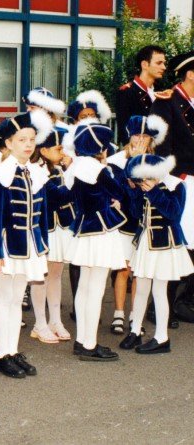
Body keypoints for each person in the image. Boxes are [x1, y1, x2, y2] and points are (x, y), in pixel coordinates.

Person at [0, 110, 53, 378]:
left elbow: (42, 214)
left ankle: (12, 350)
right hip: (6, 246)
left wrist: (42, 246)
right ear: (8, 143)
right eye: (22, 140)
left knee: (16, 300)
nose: (28, 144)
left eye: (31, 139)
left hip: (28, 245)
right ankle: (1, 355)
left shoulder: (35, 172)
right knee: (4, 299)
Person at [63, 122, 126, 361]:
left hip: (84, 229)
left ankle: (82, 340)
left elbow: (67, 193)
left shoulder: (75, 167)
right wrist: (108, 167)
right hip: (101, 230)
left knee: (84, 287)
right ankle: (90, 344)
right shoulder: (98, 169)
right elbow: (120, 191)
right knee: (96, 289)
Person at [119, 154, 194, 353]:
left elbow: (174, 214)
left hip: (165, 245)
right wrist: (134, 192)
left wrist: (154, 191)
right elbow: (136, 214)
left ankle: (162, 337)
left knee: (159, 291)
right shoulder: (144, 186)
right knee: (141, 289)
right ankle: (135, 330)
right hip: (145, 243)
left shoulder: (175, 185)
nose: (143, 181)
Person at [107, 115, 166, 334]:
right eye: (136, 135)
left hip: (145, 223)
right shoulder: (116, 160)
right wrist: (132, 165)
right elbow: (117, 190)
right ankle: (118, 313)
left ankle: (135, 316)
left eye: (145, 136)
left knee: (139, 273)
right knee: (123, 270)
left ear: (151, 139)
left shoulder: (158, 162)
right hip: (124, 221)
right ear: (129, 136)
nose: (140, 139)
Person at [151, 50, 194, 325]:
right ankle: (161, 305)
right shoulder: (167, 102)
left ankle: (183, 301)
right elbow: (161, 145)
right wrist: (168, 181)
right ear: (190, 74)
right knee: (176, 243)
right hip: (180, 180)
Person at [29, 128, 74, 344]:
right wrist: (76, 175)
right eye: (58, 148)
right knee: (41, 277)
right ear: (44, 150)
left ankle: (55, 320)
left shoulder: (56, 168)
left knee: (56, 275)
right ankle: (39, 323)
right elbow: (58, 196)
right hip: (44, 229)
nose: (62, 152)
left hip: (60, 227)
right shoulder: (36, 170)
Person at [116, 45, 166, 144]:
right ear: (144, 64)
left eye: (164, 63)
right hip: (139, 150)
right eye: (159, 63)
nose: (164, 67)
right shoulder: (127, 92)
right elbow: (124, 131)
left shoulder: (160, 91)